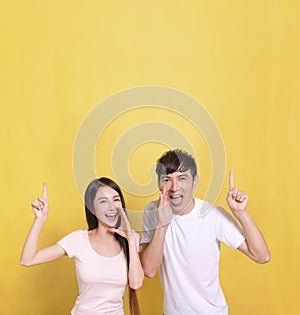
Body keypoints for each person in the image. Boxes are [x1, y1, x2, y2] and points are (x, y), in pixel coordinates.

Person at [140, 149, 270, 315]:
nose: (174, 187)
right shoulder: (153, 210)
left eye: (182, 178)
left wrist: (241, 213)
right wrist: (162, 225)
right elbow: (149, 269)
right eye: (167, 179)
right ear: (159, 184)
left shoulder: (212, 216)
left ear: (194, 182)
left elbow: (262, 256)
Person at [20, 177, 144, 315]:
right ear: (92, 207)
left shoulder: (131, 240)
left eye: (116, 200)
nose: (112, 207)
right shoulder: (79, 240)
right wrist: (39, 219)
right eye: (103, 201)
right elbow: (28, 260)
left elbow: (136, 283)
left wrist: (131, 242)